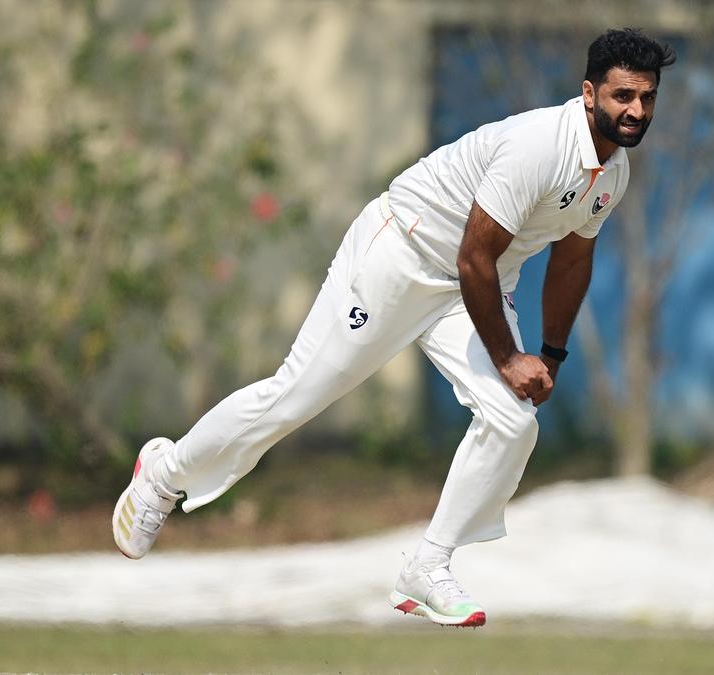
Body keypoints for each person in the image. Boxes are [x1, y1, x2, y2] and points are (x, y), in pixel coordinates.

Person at [112, 28, 676, 628]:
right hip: (400, 256)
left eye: (646, 98)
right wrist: (510, 358)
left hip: (472, 289)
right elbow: (472, 257)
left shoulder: (612, 174)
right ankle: (164, 474)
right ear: (589, 93)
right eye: (622, 96)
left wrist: (551, 356)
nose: (636, 111)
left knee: (513, 420)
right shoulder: (539, 144)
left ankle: (427, 566)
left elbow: (571, 259)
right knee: (294, 397)